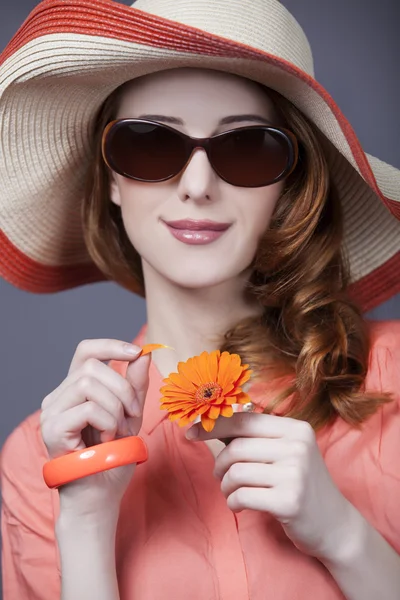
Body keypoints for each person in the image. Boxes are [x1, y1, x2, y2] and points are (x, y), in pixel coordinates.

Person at [0, 0, 399, 599]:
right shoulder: (42, 455)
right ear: (110, 177)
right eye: (150, 145)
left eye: (246, 149)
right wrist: (83, 524)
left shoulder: (393, 383)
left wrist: (344, 537)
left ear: (288, 182)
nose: (196, 186)